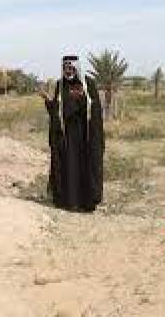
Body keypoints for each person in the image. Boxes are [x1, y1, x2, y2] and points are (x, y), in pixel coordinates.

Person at [39, 55, 105, 212]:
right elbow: (57, 111)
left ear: (76, 67)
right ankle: (69, 201)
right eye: (65, 68)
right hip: (67, 137)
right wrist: (48, 102)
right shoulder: (60, 85)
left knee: (85, 166)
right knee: (69, 167)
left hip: (85, 136)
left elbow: (95, 110)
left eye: (70, 68)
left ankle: (87, 202)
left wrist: (84, 100)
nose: (67, 71)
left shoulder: (87, 84)